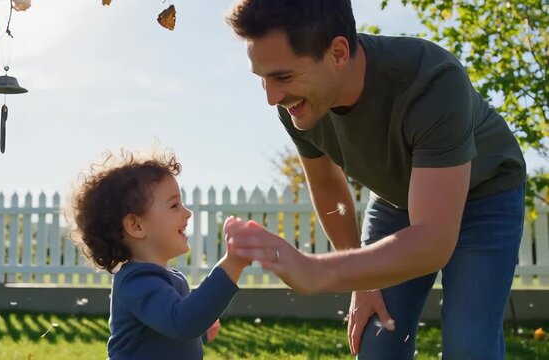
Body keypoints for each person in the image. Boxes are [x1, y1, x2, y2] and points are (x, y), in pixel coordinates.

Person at [224, 1, 526, 359]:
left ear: (337, 52)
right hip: (396, 200)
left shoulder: (431, 79)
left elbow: (433, 241)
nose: (272, 96)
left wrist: (318, 271)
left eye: (283, 77)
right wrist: (361, 282)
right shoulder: (298, 106)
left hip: (486, 194)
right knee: (378, 340)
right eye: (262, 77)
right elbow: (327, 186)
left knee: (469, 344)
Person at [70, 151, 249, 360]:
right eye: (174, 205)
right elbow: (181, 323)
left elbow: (170, 329)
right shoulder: (136, 282)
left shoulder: (171, 278)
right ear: (136, 226)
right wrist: (232, 264)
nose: (187, 213)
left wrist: (200, 333)